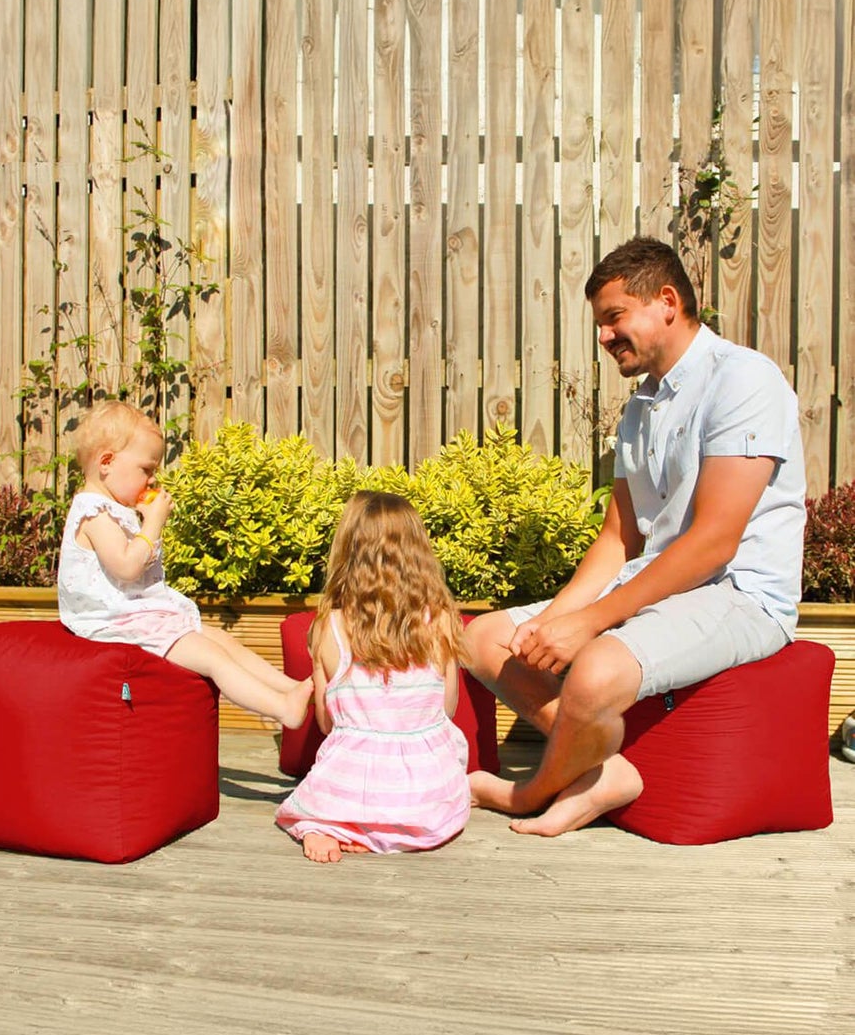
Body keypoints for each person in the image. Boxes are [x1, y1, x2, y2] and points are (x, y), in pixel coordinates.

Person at [464, 235, 806, 837]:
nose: (603, 336)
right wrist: (554, 622)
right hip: (664, 587)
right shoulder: (639, 409)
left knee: (595, 671)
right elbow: (618, 539)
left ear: (667, 301)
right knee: (487, 638)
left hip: (741, 596)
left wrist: (589, 625)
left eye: (614, 317)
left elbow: (713, 544)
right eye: (600, 323)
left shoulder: (745, 382)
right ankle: (608, 770)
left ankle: (532, 792)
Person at [58, 400, 312, 728]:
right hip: (111, 623)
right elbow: (126, 567)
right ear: (107, 462)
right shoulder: (94, 512)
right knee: (212, 658)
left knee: (222, 640)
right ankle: (281, 709)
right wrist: (153, 525)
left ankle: (289, 687)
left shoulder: (113, 508)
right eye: (146, 470)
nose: (152, 480)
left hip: (136, 615)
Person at [275, 490, 471, 863]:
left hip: (352, 781)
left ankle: (330, 823)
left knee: (326, 783)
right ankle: (393, 825)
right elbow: (446, 709)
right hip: (427, 798)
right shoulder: (442, 619)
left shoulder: (328, 626)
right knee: (444, 785)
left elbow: (326, 722)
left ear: (346, 551)